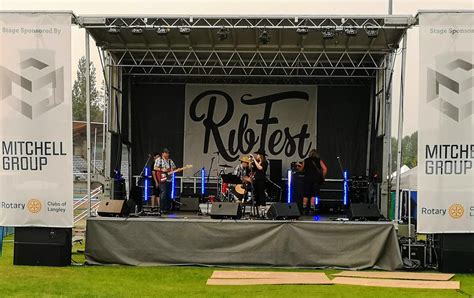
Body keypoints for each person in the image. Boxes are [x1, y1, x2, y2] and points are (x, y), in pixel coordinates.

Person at [301, 149, 327, 215]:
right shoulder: (319, 160)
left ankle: (304, 209)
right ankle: (312, 209)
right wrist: (323, 176)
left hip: (307, 180)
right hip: (316, 180)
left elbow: (301, 169)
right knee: (314, 194)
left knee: (306, 195)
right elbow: (325, 169)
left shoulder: (306, 160)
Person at [154, 148, 176, 213]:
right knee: (163, 193)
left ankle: (167, 208)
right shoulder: (159, 160)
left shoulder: (170, 161)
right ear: (163, 153)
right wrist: (162, 169)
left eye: (168, 153)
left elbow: (174, 167)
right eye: (166, 153)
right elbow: (155, 167)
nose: (167, 154)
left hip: (169, 179)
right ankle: (161, 208)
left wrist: (171, 169)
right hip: (162, 179)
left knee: (168, 194)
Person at [250, 149, 268, 217]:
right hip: (255, 181)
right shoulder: (256, 163)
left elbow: (260, 168)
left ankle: (263, 212)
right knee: (256, 196)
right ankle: (257, 212)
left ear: (260, 156)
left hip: (261, 181)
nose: (256, 156)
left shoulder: (265, 163)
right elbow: (250, 168)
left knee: (261, 196)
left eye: (257, 154)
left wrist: (254, 160)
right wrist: (251, 161)